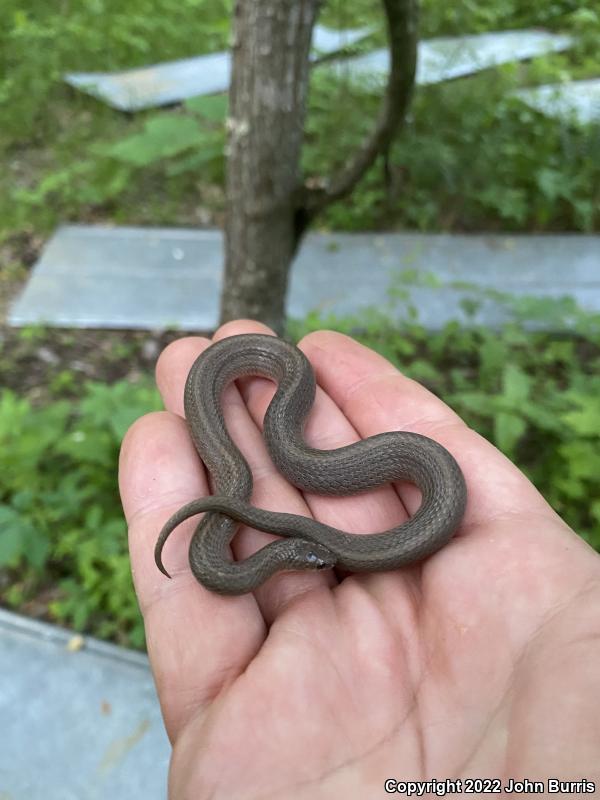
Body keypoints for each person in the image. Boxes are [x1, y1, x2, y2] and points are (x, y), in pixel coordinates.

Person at [119, 320, 600, 799]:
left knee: (252, 474)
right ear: (284, 562)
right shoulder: (228, 557)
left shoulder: (265, 544)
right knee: (238, 477)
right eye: (313, 559)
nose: (323, 560)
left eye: (313, 558)